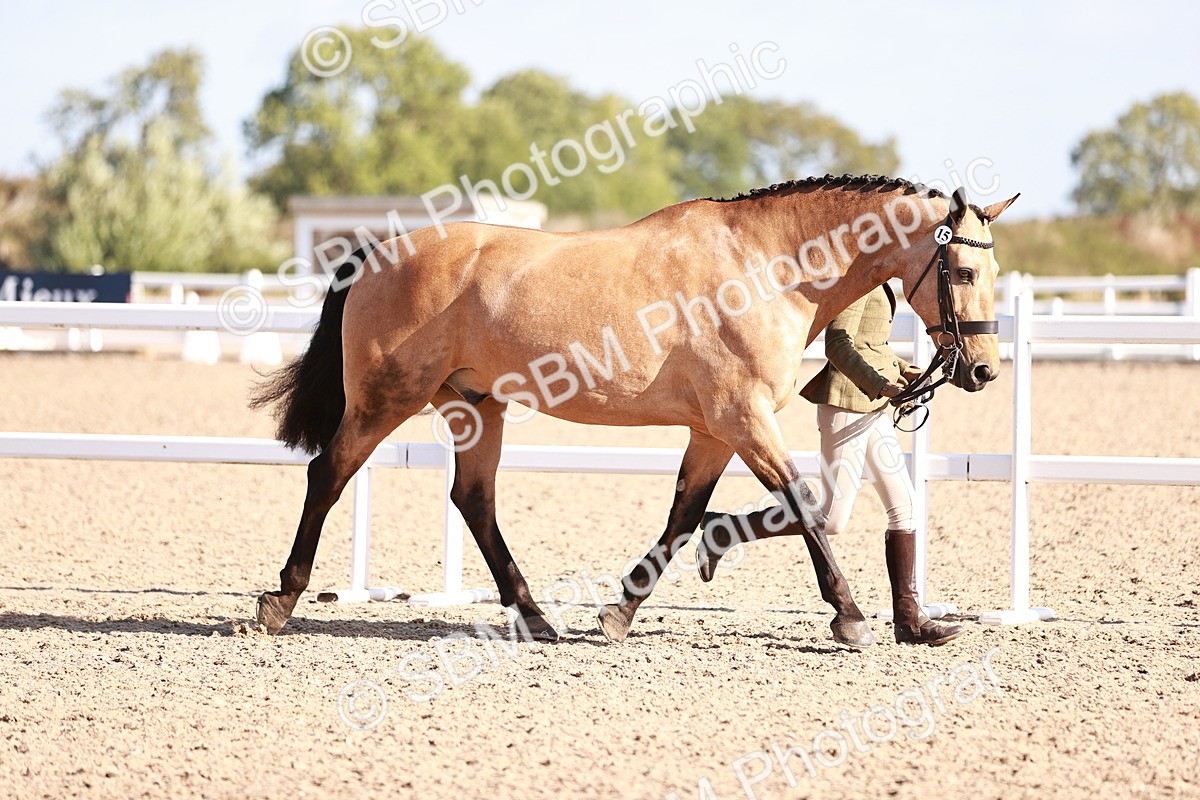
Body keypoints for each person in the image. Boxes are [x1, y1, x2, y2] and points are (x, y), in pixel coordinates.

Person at [695, 283, 963, 646]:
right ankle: (725, 531)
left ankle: (909, 620)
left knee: (906, 507)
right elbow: (838, 344)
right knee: (833, 518)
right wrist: (881, 385)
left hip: (874, 409)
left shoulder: (880, 282)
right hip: (846, 407)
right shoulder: (860, 283)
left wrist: (904, 372)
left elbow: (872, 345)